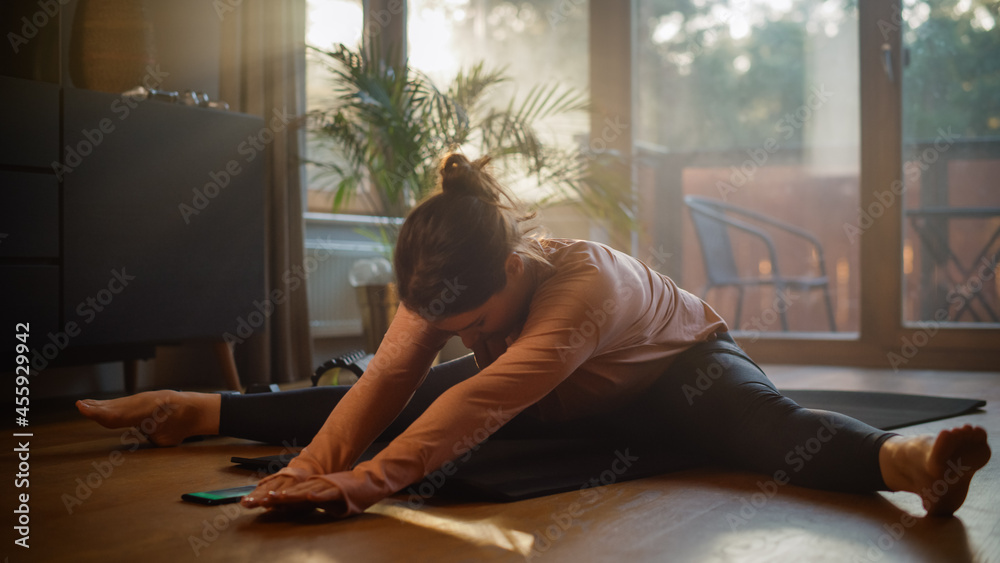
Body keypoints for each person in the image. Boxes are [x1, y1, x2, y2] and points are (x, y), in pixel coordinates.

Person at [77, 153, 991, 519]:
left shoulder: (579, 291)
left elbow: (484, 396)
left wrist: (354, 487)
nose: (449, 332)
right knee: (393, 397)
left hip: (680, 371)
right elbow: (385, 381)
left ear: (512, 271)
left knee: (766, 428)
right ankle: (198, 406)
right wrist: (311, 464)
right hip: (565, 405)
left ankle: (909, 462)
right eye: (442, 322)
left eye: (466, 324)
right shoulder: (448, 274)